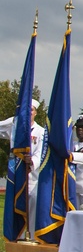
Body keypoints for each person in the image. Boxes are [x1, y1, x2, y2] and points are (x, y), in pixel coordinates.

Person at [0, 98, 47, 236]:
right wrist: (14, 119)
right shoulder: (15, 129)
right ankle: (14, 237)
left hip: (31, 178)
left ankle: (30, 237)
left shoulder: (41, 132)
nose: (28, 113)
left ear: (36, 113)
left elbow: (40, 153)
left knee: (31, 211)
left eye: (31, 110)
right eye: (26, 110)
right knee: (14, 209)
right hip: (15, 177)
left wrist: (31, 161)